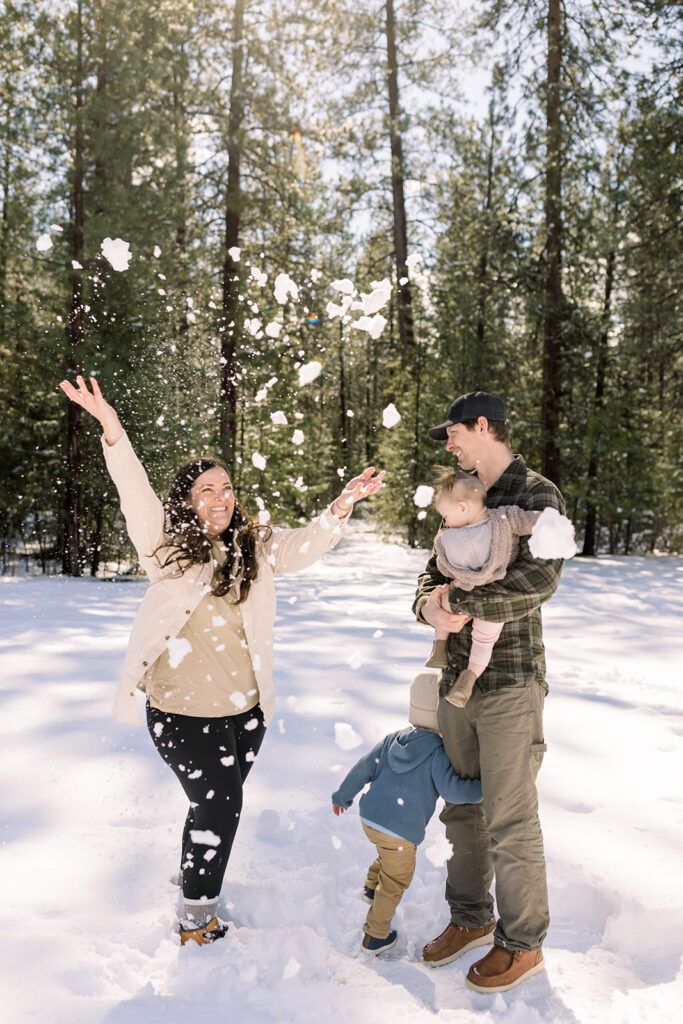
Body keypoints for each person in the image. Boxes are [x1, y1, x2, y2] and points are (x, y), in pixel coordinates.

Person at [60, 375, 384, 947]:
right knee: (222, 806)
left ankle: (193, 876)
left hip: (247, 711)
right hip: (182, 713)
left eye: (227, 487)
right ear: (187, 500)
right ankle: (195, 915)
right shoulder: (166, 548)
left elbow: (303, 547)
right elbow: (133, 489)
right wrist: (112, 428)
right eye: (206, 489)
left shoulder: (253, 547)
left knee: (215, 806)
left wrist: (341, 506)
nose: (220, 497)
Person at [413, 391, 565, 993]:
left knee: (510, 816)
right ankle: (471, 919)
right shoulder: (459, 493)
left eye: (452, 433)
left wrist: (465, 603)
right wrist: (429, 605)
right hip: (457, 684)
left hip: (510, 681)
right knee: (463, 808)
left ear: (481, 426)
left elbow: (538, 580)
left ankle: (523, 943)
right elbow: (434, 568)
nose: (449, 446)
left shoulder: (538, 496)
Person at [331, 673, 482, 956]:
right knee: (396, 878)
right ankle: (375, 936)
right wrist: (483, 788)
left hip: (371, 819)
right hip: (399, 830)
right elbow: (454, 792)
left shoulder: (392, 740)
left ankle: (370, 889)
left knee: (387, 852)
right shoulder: (438, 753)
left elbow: (363, 767)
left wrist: (343, 796)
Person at [424, 466, 547, 708]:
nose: (445, 524)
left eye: (446, 518)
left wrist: (450, 595)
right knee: (484, 640)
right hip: (492, 596)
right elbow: (527, 521)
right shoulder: (503, 520)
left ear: (462, 508)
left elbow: (444, 569)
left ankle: (439, 648)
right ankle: (469, 678)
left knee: (442, 600)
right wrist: (546, 521)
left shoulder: (451, 536)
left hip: (470, 594)